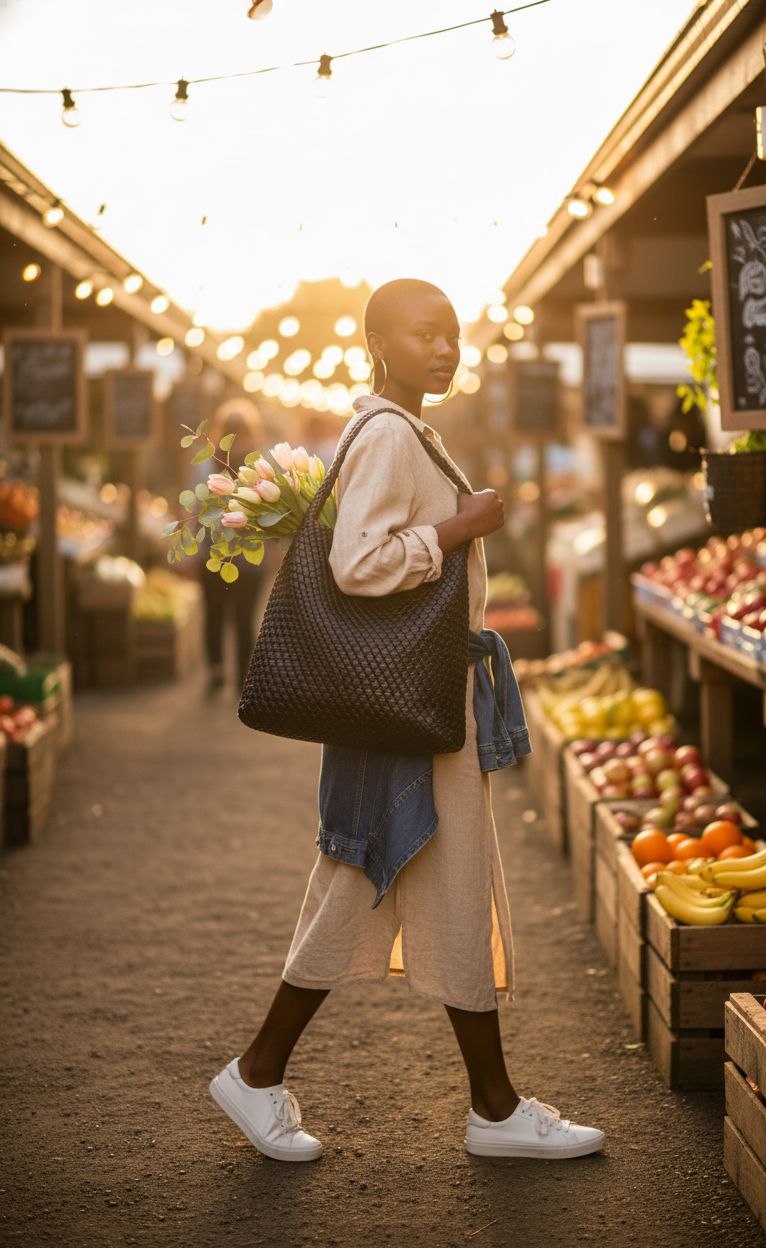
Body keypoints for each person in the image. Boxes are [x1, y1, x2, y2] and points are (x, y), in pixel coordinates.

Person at [209, 279, 605, 1162]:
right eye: (424, 334)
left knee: (440, 880)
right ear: (379, 344)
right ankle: (262, 1071)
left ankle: (491, 1108)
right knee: (361, 876)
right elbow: (359, 563)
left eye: (452, 334)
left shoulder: (400, 428)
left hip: (418, 701)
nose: (444, 348)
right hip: (404, 702)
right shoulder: (388, 433)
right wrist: (459, 528)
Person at [198, 398, 266, 692]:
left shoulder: (206, 463)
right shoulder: (260, 466)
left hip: (219, 555)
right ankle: (239, 675)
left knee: (219, 614)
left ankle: (222, 671)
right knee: (238, 617)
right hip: (241, 556)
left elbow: (192, 506)